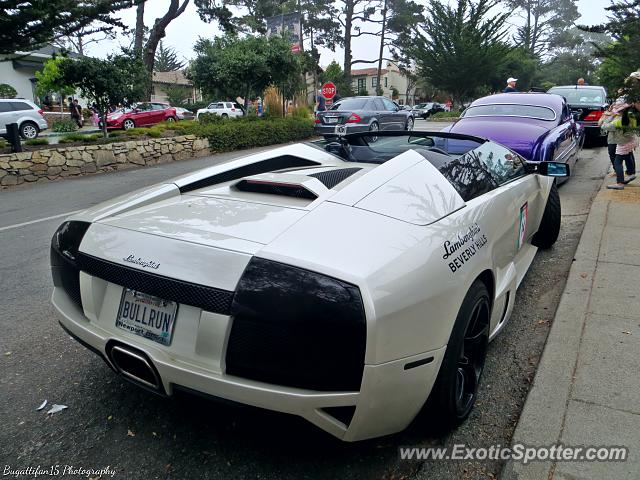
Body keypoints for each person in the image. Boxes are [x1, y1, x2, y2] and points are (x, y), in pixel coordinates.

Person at [602, 101, 638, 190]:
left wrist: (610, 116)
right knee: (629, 155)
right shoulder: (632, 118)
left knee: (617, 163)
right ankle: (631, 174)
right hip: (632, 141)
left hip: (622, 143)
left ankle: (620, 183)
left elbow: (604, 126)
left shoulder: (618, 122)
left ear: (619, 112)